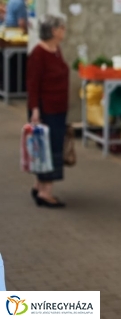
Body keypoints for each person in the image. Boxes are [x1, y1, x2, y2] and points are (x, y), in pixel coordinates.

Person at [26, 15, 69, 208]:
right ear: (53, 31)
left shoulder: (55, 50)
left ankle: (39, 185)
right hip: (46, 111)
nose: (64, 30)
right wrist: (35, 110)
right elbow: (32, 84)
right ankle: (46, 193)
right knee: (48, 150)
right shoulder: (38, 53)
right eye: (61, 27)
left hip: (58, 109)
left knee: (51, 148)